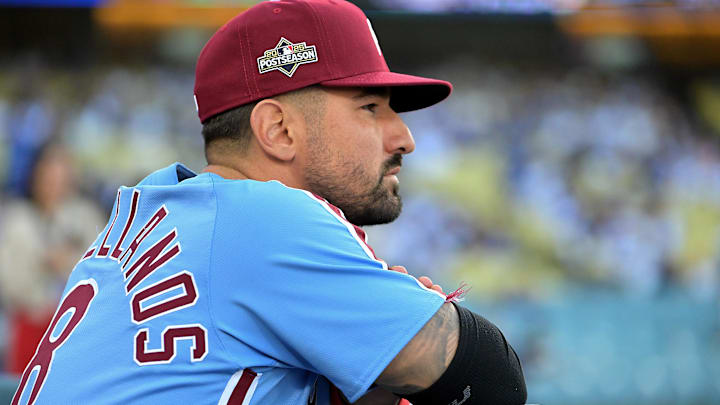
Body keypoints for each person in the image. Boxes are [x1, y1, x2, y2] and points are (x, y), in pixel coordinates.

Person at [12, 1, 526, 404]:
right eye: (370, 107)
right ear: (278, 130)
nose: (404, 137)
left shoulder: (149, 215)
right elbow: (493, 382)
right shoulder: (264, 219)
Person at [0, 142, 103, 376]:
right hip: (28, 323)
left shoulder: (84, 216)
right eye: (48, 174)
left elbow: (100, 268)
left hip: (73, 329)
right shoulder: (18, 218)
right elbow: (7, 279)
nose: (54, 183)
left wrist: (66, 264)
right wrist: (40, 263)